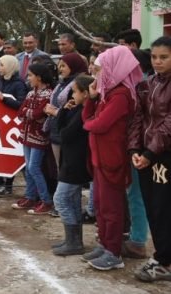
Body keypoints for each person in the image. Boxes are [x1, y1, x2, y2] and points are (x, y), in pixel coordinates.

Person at [81, 45, 143, 271]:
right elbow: (88, 119)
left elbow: (99, 124)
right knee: (100, 203)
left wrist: (90, 124)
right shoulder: (107, 94)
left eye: (99, 69)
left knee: (111, 206)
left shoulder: (121, 95)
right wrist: (92, 98)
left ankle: (113, 252)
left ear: (113, 69)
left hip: (112, 159)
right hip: (100, 157)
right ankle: (105, 244)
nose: (96, 74)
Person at [128, 36, 171, 282]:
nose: (157, 61)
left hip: (164, 155)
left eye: (164, 57)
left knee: (163, 209)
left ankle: (165, 261)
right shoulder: (147, 84)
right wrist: (134, 150)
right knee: (153, 208)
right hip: (146, 155)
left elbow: (168, 125)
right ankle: (162, 256)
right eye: (154, 57)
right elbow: (138, 118)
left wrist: (149, 153)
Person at [52, 74, 93, 256]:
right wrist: (64, 111)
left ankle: (74, 241)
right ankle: (74, 240)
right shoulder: (77, 110)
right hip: (70, 161)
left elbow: (65, 135)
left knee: (61, 199)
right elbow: (59, 128)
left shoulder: (84, 113)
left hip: (76, 163)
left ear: (85, 94)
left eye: (75, 92)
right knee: (73, 200)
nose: (72, 96)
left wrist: (64, 118)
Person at [12, 63, 54, 215]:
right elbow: (21, 112)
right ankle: (30, 197)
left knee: (33, 168)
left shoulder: (48, 94)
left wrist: (29, 112)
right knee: (29, 168)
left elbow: (37, 114)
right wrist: (32, 113)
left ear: (39, 77)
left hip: (38, 136)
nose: (28, 78)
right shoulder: (31, 93)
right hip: (27, 134)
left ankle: (46, 200)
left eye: (30, 75)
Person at [0, 55, 27, 196]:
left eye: (2, 65)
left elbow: (21, 104)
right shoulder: (0, 81)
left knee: (9, 155)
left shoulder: (19, 84)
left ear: (10, 66)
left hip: (12, 126)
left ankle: (8, 186)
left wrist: (4, 99)